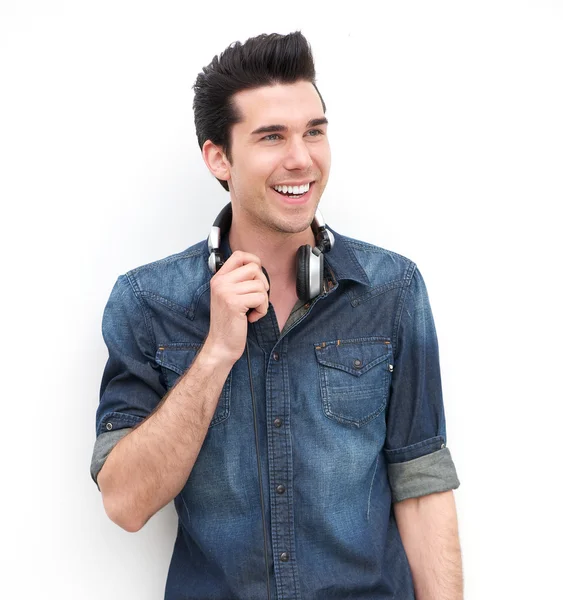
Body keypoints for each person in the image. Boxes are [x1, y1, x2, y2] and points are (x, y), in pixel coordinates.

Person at [90, 31, 462, 600]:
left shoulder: (392, 289)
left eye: (315, 131)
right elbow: (124, 503)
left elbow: (423, 485)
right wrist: (215, 353)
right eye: (272, 136)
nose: (302, 158)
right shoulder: (148, 303)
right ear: (219, 156)